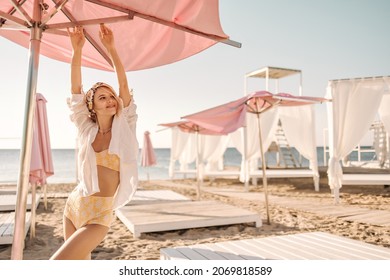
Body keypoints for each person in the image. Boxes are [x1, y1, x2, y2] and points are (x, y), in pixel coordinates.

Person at [50, 24, 138, 260]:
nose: (110, 100)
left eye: (111, 96)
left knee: (57, 264)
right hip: (74, 206)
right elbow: (76, 90)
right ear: (93, 107)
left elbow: (124, 86)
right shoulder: (86, 128)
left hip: (99, 215)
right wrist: (76, 49)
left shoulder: (125, 127)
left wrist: (112, 49)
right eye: (102, 97)